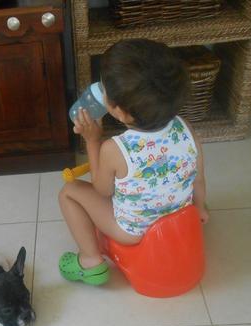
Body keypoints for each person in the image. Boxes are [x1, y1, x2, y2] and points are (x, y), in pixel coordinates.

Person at [58, 38, 209, 286]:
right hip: (181, 215)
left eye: (105, 90)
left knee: (69, 191)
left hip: (133, 231)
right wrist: (200, 208)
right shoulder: (186, 127)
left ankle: (90, 260)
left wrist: (93, 141)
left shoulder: (115, 149)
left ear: (119, 111)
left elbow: (102, 190)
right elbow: (199, 178)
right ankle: (189, 213)